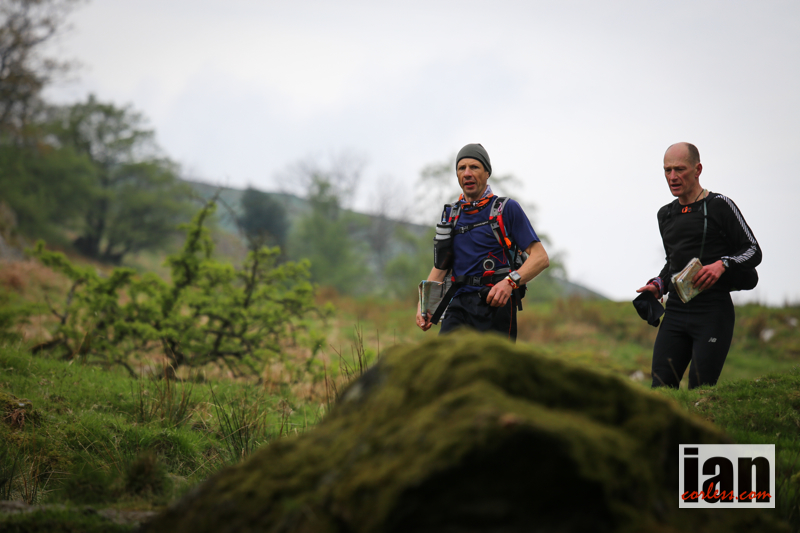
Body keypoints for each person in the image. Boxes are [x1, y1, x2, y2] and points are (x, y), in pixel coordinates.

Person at [637, 142, 762, 389]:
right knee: (660, 389)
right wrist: (658, 284)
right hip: (676, 311)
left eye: (679, 169)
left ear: (698, 170)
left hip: (712, 312)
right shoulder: (665, 214)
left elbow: (753, 250)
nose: (672, 176)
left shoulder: (719, 205)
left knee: (700, 391)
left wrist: (722, 264)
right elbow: (673, 263)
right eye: (667, 170)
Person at [415, 143, 549, 341]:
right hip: (457, 306)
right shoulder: (451, 215)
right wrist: (424, 304)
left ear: (487, 173)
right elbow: (442, 266)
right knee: (445, 358)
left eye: (474, 167)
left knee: (492, 362)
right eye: (462, 168)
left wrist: (509, 283)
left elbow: (540, 258)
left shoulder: (506, 209)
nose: (467, 173)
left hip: (496, 305)